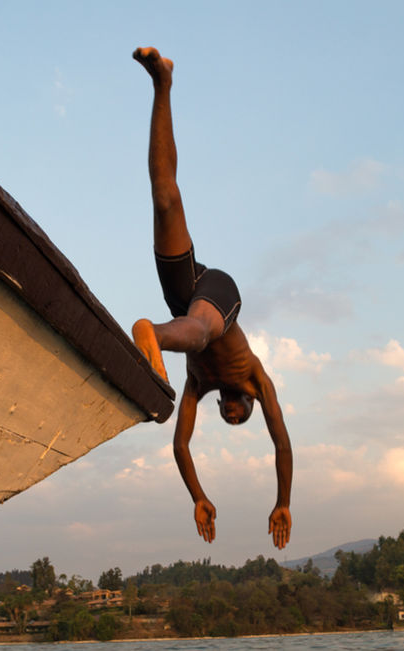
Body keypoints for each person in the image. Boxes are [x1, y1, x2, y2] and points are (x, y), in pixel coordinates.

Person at [130, 47, 293, 550]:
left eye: (229, 419)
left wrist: (198, 496)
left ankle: (162, 83)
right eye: (241, 416)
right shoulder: (255, 378)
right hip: (218, 295)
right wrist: (283, 501)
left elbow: (181, 445)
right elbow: (282, 444)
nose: (233, 417)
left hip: (184, 298)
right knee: (200, 332)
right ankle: (151, 333)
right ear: (248, 403)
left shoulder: (199, 384)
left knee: (165, 196)